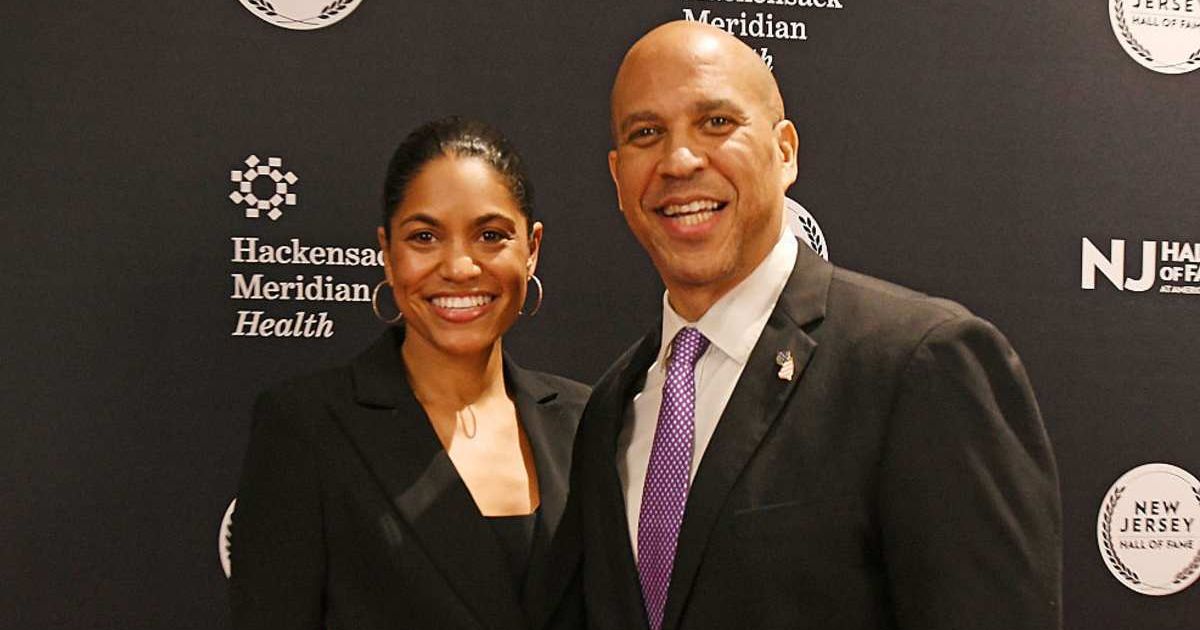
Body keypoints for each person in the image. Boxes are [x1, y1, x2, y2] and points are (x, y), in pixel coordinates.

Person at [570, 21, 1062, 630]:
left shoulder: (919, 365)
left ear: (785, 152)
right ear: (618, 177)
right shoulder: (610, 409)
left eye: (716, 123)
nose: (680, 160)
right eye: (647, 133)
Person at [230, 117, 587, 630]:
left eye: (490, 235)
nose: (459, 267)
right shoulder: (306, 429)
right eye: (424, 237)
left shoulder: (587, 422)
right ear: (387, 253)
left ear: (531, 249)